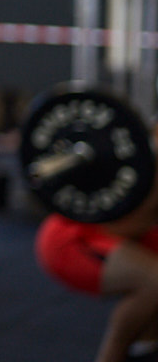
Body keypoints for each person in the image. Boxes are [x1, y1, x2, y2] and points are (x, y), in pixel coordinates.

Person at [36, 144, 158, 362]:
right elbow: (127, 225)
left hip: (115, 235)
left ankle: (145, 345)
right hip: (73, 239)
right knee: (154, 281)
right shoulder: (146, 163)